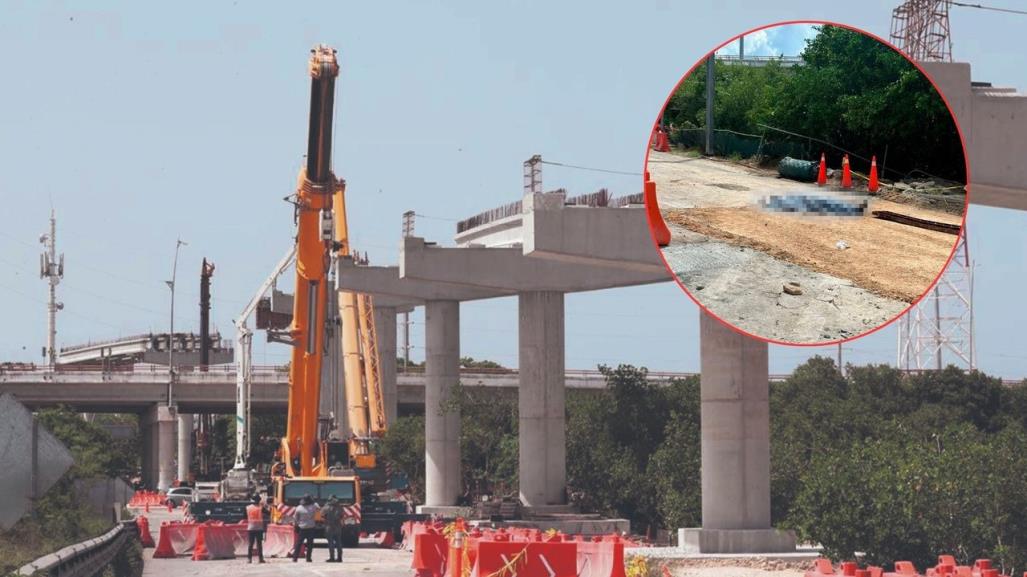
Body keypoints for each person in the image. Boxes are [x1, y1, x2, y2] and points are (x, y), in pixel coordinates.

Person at [291, 495, 320, 563]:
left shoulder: (299, 508)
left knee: (299, 544)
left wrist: (296, 525)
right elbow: (319, 509)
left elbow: (295, 518)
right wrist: (314, 502)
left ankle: (295, 558)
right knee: (310, 544)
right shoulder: (313, 506)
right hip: (311, 527)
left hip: (302, 528)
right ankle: (308, 558)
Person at [245, 494, 268, 564]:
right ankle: (260, 559)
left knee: (250, 544)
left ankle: (249, 559)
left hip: (251, 528)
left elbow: (244, 516)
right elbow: (268, 513)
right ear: (259, 500)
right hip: (259, 528)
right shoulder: (261, 508)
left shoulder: (247, 508)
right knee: (259, 544)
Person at [321, 495, 344, 562]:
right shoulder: (340, 507)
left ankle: (332, 557)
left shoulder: (326, 507)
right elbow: (342, 516)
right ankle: (339, 558)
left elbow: (322, 515)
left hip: (329, 526)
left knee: (330, 542)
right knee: (338, 542)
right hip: (338, 527)